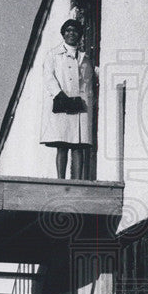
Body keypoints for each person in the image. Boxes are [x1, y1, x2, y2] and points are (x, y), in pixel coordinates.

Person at [40, 19, 97, 179]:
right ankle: (60, 178)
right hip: (63, 102)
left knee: (78, 144)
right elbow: (48, 77)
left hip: (80, 104)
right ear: (63, 34)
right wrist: (59, 95)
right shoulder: (53, 55)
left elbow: (89, 80)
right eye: (68, 30)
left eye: (75, 31)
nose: (71, 34)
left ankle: (78, 179)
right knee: (62, 143)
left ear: (79, 35)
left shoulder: (84, 57)